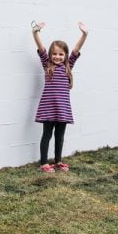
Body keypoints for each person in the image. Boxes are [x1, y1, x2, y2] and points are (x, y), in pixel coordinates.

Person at [32, 21, 88, 173]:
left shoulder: (68, 66)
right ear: (50, 55)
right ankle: (44, 163)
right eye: (54, 54)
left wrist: (84, 34)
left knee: (60, 136)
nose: (57, 56)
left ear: (65, 55)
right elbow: (41, 49)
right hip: (48, 108)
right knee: (47, 135)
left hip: (62, 109)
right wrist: (35, 33)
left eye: (61, 54)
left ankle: (58, 161)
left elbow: (76, 50)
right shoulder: (47, 65)